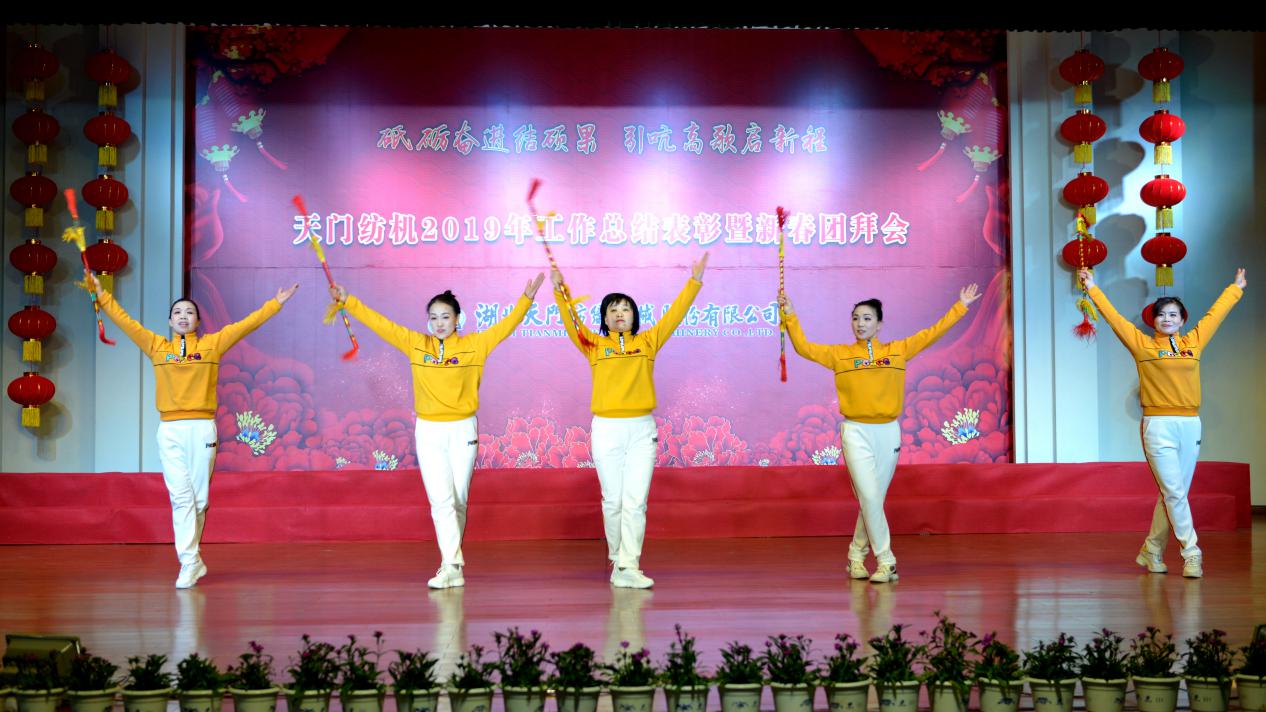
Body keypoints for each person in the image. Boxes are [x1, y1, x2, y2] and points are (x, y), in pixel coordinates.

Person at [330, 273, 545, 588]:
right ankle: (451, 565)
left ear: (457, 319)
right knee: (441, 501)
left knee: (458, 501)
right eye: (433, 317)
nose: (439, 323)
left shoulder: (475, 345)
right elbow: (382, 325)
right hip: (429, 431)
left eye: (445, 317)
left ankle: (452, 565)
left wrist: (526, 299)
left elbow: (506, 326)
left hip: (463, 430)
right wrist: (348, 301)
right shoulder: (417, 344)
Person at [93, 271, 299, 588]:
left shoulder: (212, 345)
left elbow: (247, 325)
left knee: (199, 501)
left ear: (198, 321)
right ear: (170, 321)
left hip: (202, 429)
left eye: (189, 312)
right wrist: (101, 294)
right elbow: (126, 322)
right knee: (180, 498)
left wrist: (276, 303)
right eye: (177, 312)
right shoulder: (157, 346)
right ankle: (189, 562)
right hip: (170, 430)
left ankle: (193, 560)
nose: (183, 316)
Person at [779, 283, 980, 583]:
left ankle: (855, 557)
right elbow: (804, 347)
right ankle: (887, 562)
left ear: (879, 324)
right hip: (855, 431)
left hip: (888, 432)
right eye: (855, 318)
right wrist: (790, 315)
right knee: (871, 496)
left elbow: (933, 333)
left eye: (867, 318)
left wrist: (960, 306)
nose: (860, 324)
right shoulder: (840, 355)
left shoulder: (898, 350)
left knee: (871, 500)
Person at [551, 253, 708, 589]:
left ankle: (629, 565)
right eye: (613, 310)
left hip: (641, 430)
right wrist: (560, 293)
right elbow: (571, 323)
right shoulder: (593, 345)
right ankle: (617, 560)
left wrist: (694, 282)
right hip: (607, 429)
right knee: (613, 500)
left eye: (625, 308)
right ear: (605, 318)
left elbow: (675, 315)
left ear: (635, 315)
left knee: (635, 501)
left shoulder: (648, 341)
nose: (620, 313)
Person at [1079, 267, 1246, 578]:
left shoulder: (1194, 341)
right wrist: (1092, 288)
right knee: (1174, 493)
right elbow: (1115, 319)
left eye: (1173, 315)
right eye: (1161, 315)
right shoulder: (1143, 345)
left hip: (1190, 424)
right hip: (1158, 425)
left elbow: (1215, 316)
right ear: (1153, 321)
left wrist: (1234, 289)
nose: (1166, 319)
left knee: (1174, 493)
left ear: (1182, 320)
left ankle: (1152, 549)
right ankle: (1191, 552)